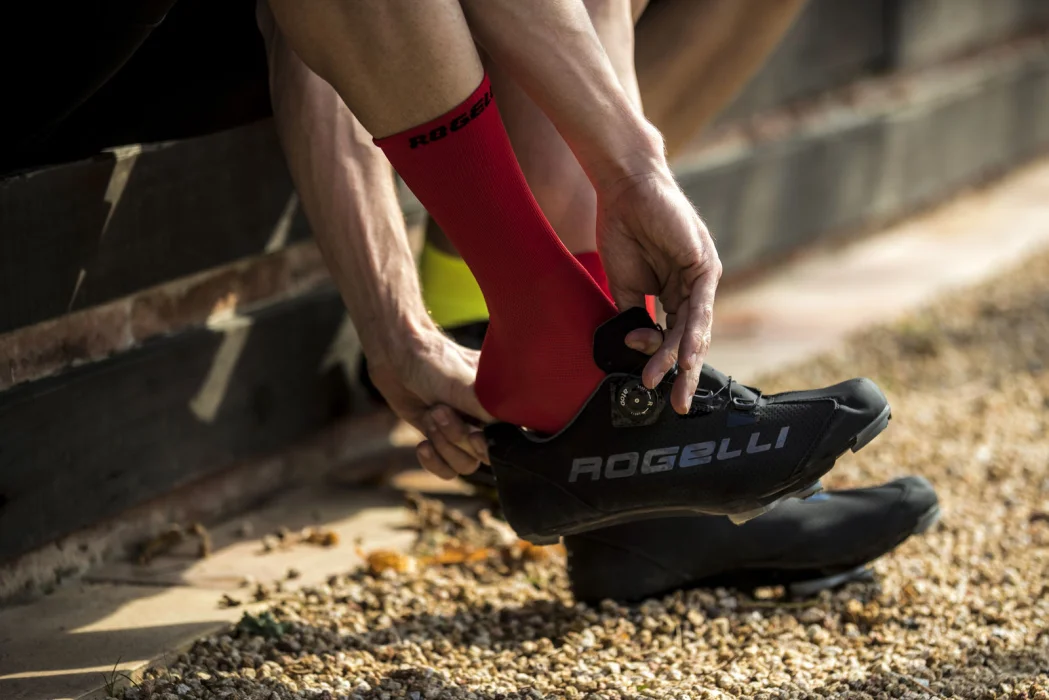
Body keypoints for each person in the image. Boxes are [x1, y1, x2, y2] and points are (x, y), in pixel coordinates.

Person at [258, 0, 939, 598]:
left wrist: (632, 169)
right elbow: (306, 46)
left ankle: (626, 464)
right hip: (479, 289)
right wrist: (399, 331)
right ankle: (575, 374)